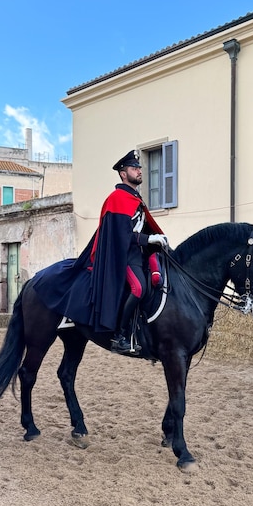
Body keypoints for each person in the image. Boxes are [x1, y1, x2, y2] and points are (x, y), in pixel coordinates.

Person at [90, 149, 167, 355]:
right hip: (123, 256)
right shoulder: (117, 198)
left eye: (139, 168)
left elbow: (142, 228)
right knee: (139, 289)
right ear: (123, 174)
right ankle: (119, 336)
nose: (139, 171)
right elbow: (121, 236)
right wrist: (148, 238)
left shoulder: (134, 198)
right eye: (135, 168)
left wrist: (157, 239)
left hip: (138, 254)